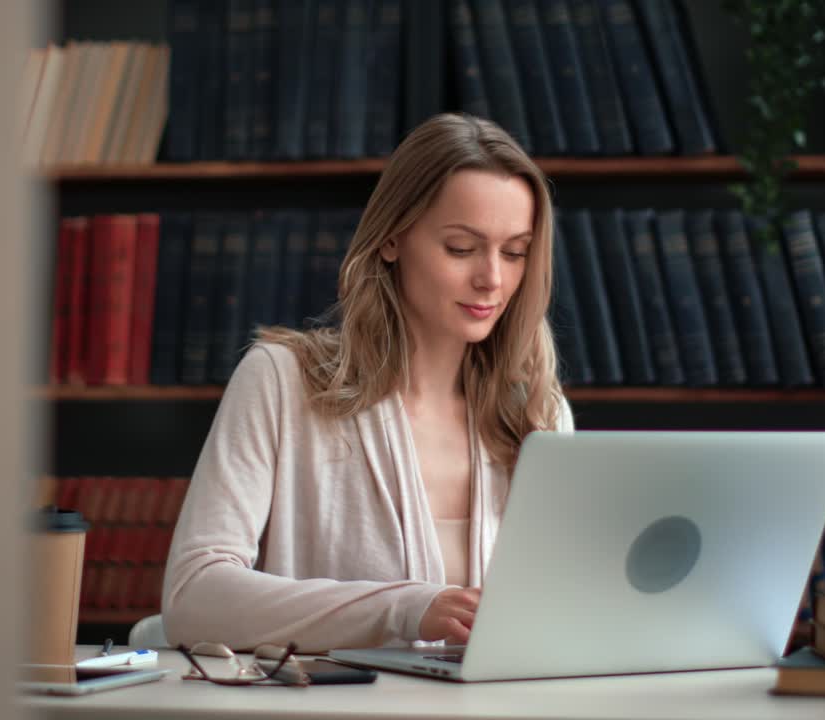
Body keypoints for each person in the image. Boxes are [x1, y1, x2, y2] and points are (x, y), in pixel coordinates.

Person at [162, 113, 574, 653]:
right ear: (391, 240)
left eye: (515, 252)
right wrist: (406, 609)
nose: (492, 279)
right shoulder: (283, 381)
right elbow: (194, 597)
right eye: (460, 247)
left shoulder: (539, 412)